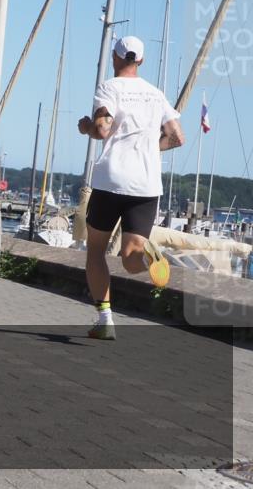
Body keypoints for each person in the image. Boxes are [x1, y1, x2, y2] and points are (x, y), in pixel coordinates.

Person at [77, 36, 183, 341]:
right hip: (146, 185)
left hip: (111, 180)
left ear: (115, 57)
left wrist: (86, 127)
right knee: (130, 258)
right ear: (141, 61)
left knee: (96, 251)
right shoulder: (156, 94)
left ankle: (105, 319)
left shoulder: (109, 87)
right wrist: (150, 148)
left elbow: (102, 128)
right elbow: (177, 136)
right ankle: (149, 254)